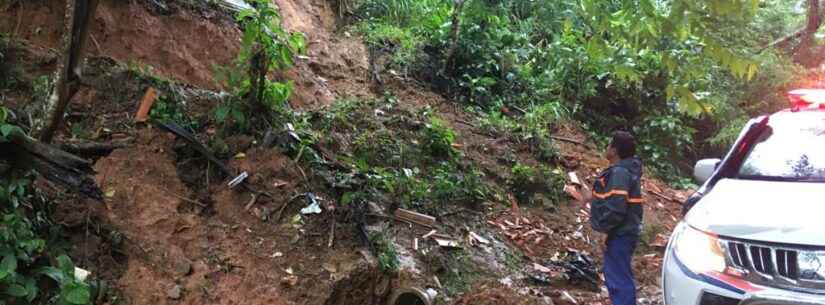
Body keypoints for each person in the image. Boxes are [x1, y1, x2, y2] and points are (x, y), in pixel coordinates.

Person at [579, 131, 644, 305]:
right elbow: (615, 198)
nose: (606, 148)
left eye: (609, 144)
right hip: (623, 232)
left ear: (614, 150)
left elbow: (616, 208)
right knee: (618, 274)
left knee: (618, 278)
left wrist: (605, 231)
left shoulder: (620, 172)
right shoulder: (623, 171)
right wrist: (590, 196)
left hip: (620, 233)